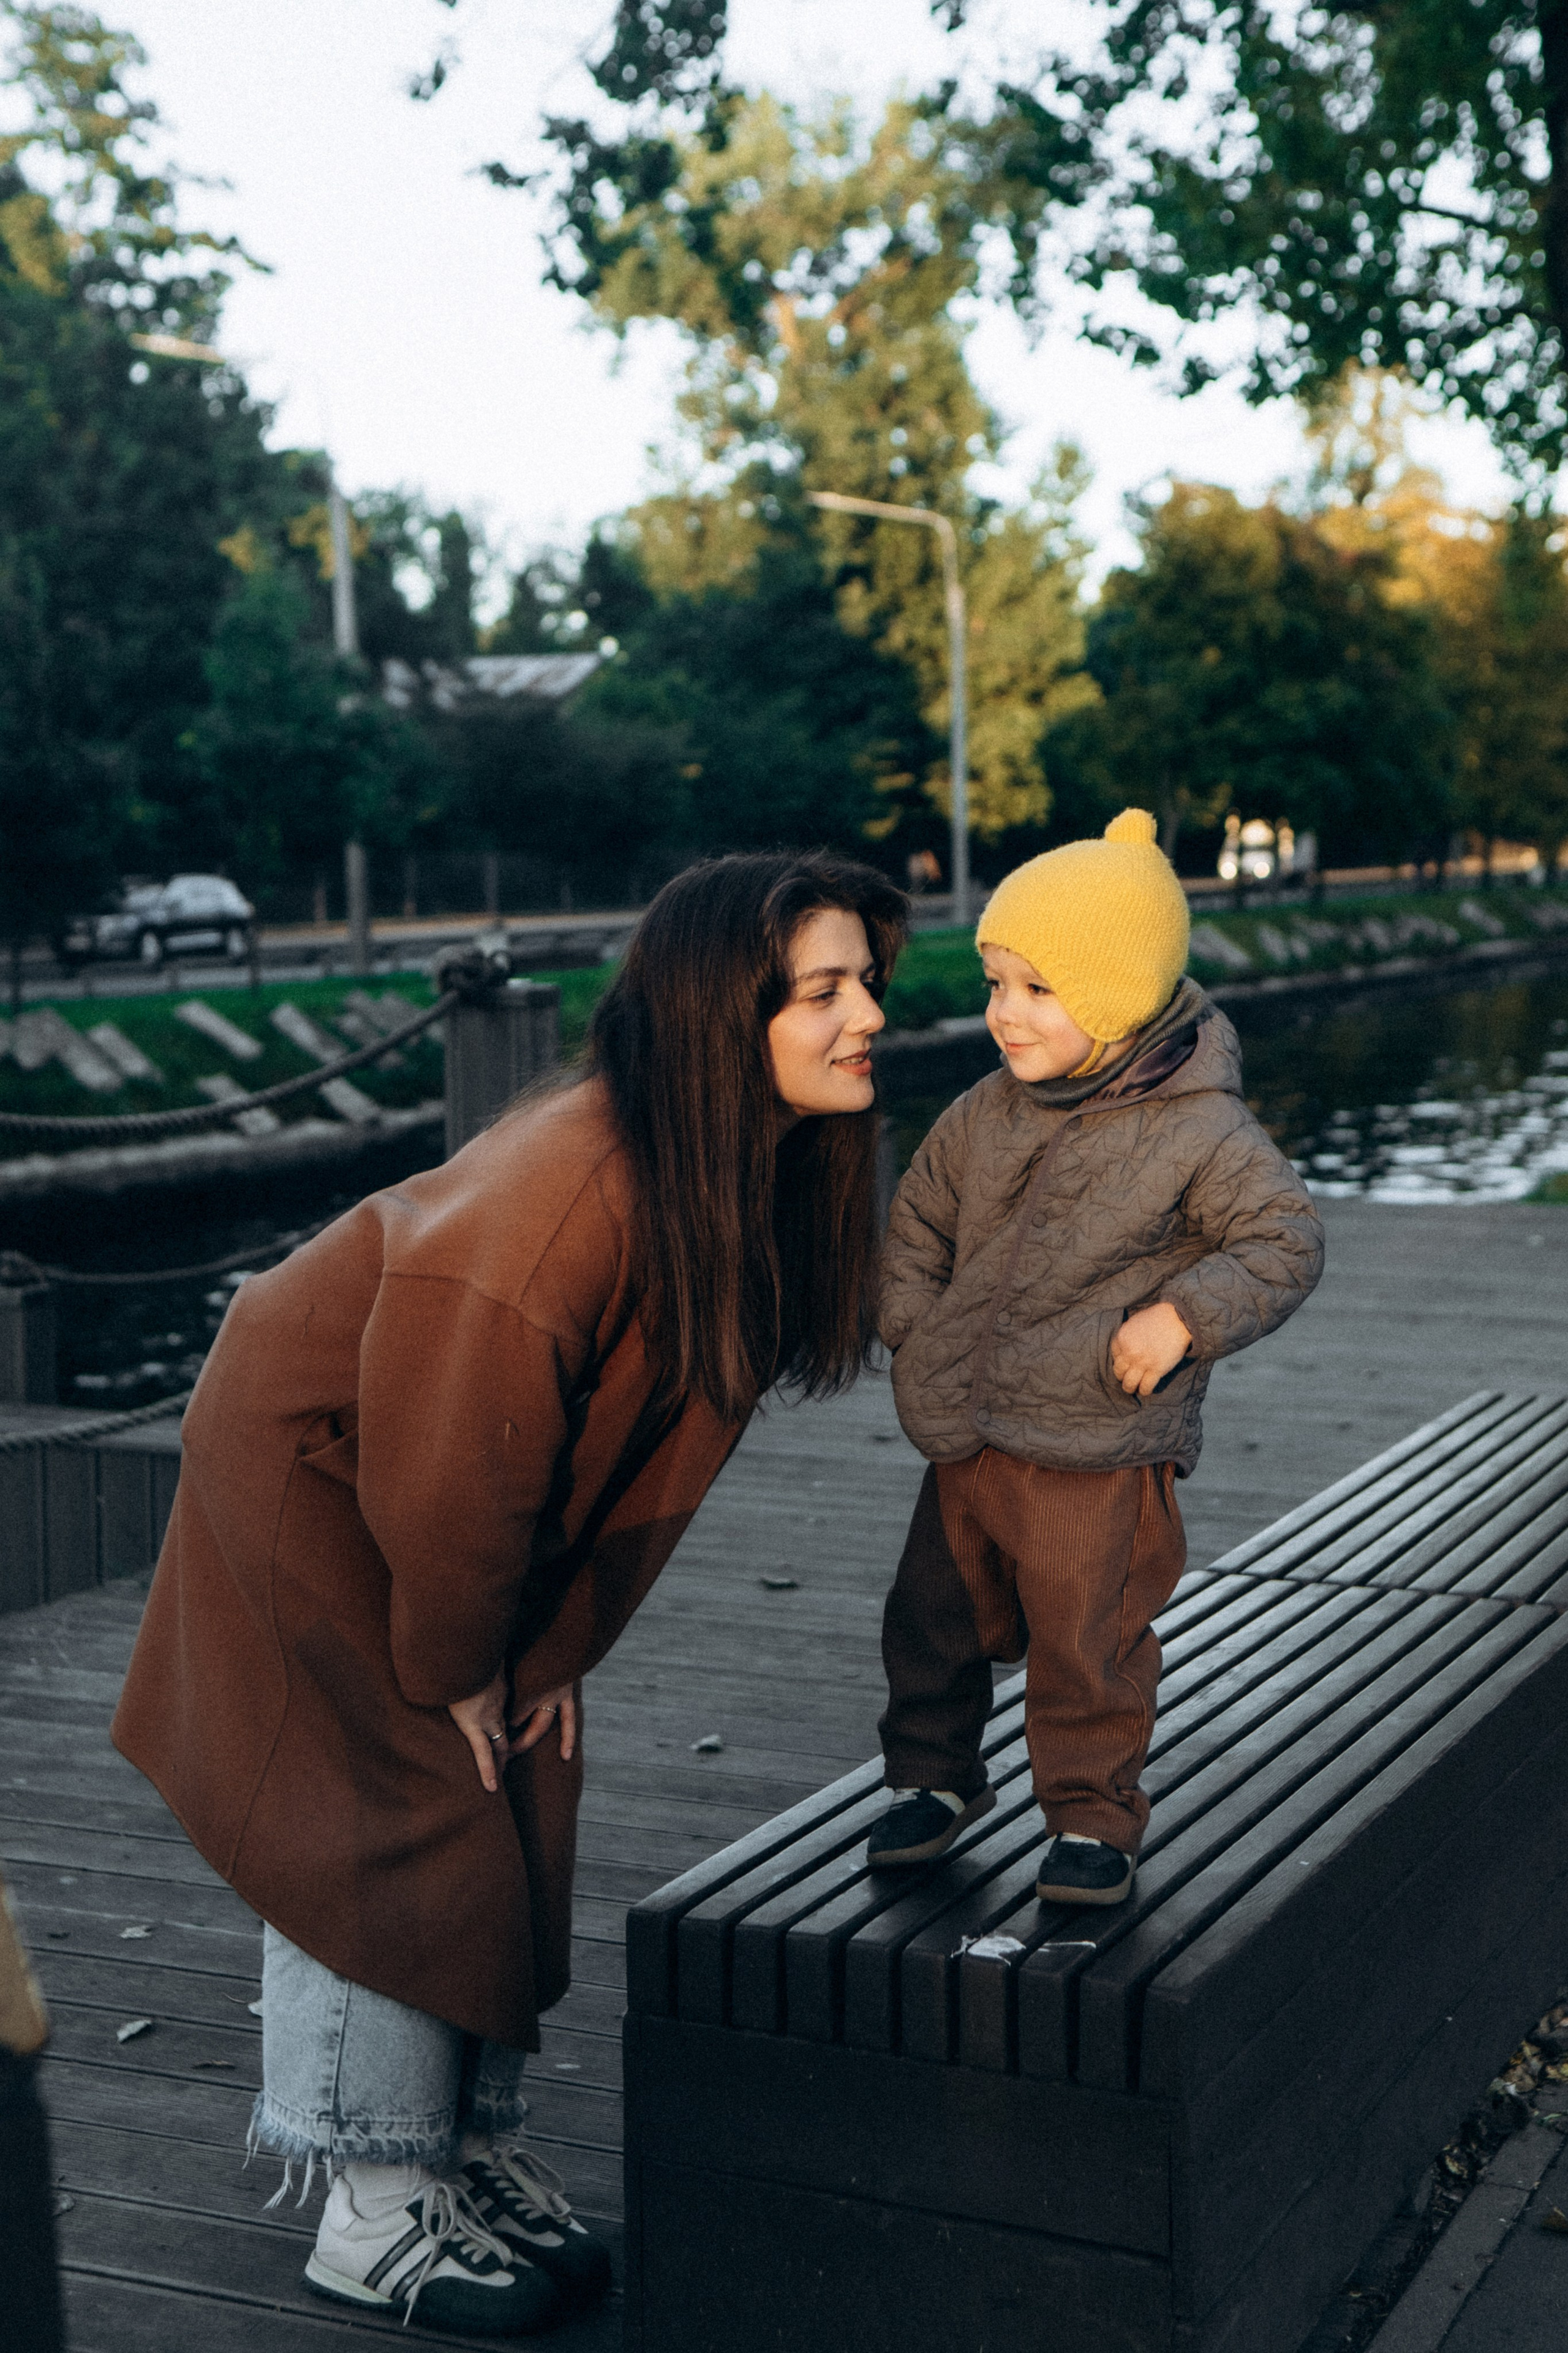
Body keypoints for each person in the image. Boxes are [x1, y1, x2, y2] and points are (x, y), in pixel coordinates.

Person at [111, 850, 907, 2338]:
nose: (867, 1013)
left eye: (866, 980)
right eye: (823, 990)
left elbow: (614, 1463)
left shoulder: (736, 1166)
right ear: (718, 1017)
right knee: (386, 1803)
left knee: (519, 1770)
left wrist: (546, 1649)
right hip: (327, 1464)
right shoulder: (565, 1194)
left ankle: (459, 2146)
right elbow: (450, 1470)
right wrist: (459, 1657)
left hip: (451, 1469)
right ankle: (369, 2198)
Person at [868, 809, 1324, 1904]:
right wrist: (911, 1316)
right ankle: (933, 1775)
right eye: (996, 983)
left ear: (1116, 998)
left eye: (1038, 989)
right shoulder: (985, 1112)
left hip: (1099, 1437)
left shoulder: (1203, 1131)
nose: (1004, 1013)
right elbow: (920, 1215)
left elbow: (1284, 1239)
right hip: (969, 1422)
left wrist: (1184, 1316)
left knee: (1088, 1642)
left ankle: (1090, 1814)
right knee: (932, 1616)